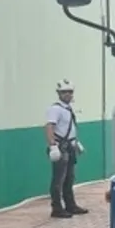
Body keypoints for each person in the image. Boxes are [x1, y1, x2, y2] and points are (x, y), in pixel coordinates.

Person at [45, 80, 88, 219]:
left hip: (69, 146)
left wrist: (76, 143)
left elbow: (67, 129)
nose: (68, 94)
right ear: (59, 93)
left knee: (69, 178)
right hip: (60, 147)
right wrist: (52, 145)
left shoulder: (68, 109)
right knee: (59, 179)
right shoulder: (55, 109)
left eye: (70, 92)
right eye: (64, 92)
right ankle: (56, 208)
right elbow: (50, 127)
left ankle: (70, 205)